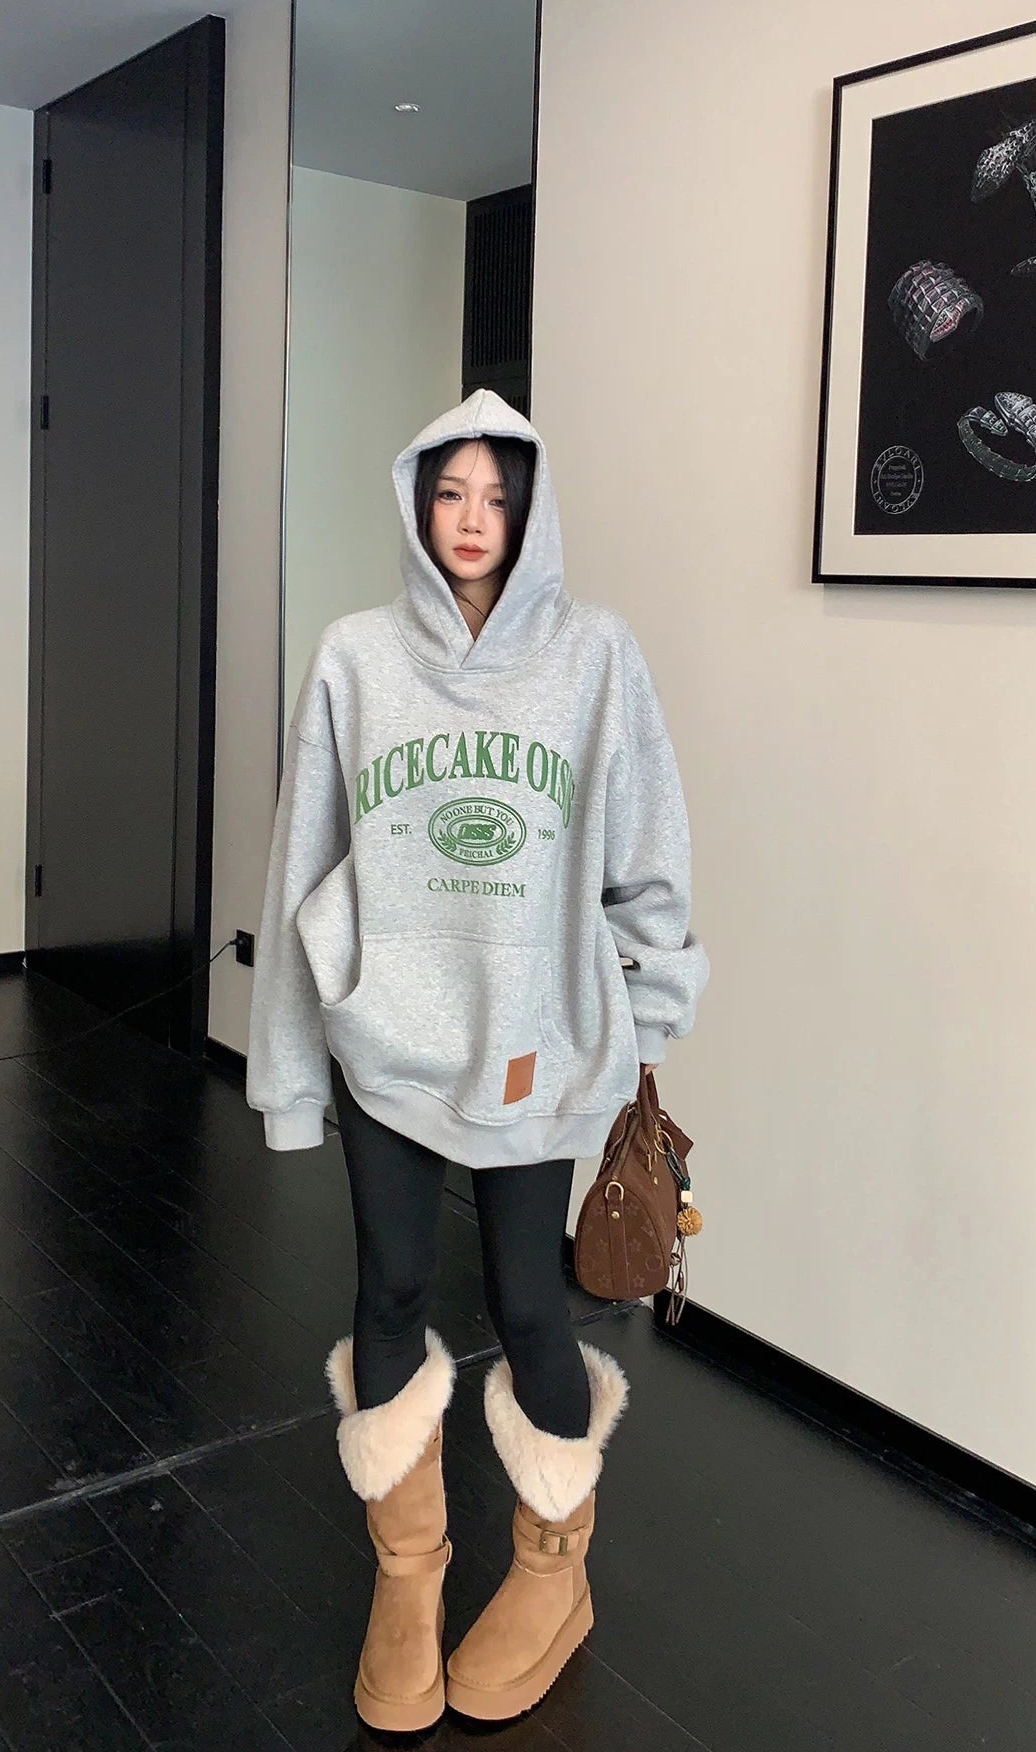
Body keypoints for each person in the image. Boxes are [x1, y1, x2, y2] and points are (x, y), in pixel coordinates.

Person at [245, 386, 709, 1730]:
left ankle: (554, 1577)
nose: (471, 519)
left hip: (532, 1043)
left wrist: (646, 1017)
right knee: (389, 1287)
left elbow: (648, 848)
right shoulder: (353, 658)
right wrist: (288, 1073)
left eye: (498, 496)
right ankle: (410, 1575)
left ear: (530, 512)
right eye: (449, 492)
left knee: (528, 1303)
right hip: (389, 1037)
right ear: (415, 504)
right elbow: (301, 861)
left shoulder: (596, 655)